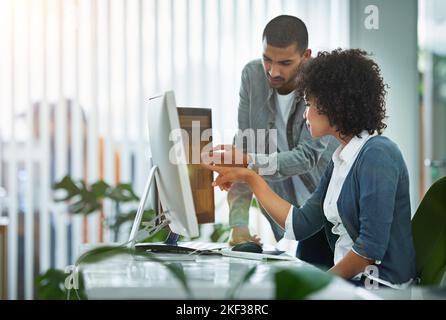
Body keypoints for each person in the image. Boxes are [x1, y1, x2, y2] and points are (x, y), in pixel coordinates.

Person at [204, 49, 416, 287]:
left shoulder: (378, 154)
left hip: (378, 288)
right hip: (353, 283)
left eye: (310, 104)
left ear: (332, 105)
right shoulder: (340, 159)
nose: (305, 114)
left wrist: (320, 283)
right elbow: (301, 223)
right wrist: (251, 178)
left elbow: (368, 251)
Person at [216, 15, 338, 268]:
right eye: (267, 59)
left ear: (306, 56)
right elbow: (245, 145)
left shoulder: (324, 84)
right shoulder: (252, 76)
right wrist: (238, 225)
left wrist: (247, 161)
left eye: (284, 63)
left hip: (331, 207)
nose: (273, 71)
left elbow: (307, 156)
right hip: (296, 211)